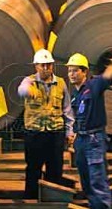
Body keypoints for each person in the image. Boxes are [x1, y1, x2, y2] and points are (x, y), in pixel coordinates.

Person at [66, 52, 112, 209]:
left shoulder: (93, 85)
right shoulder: (75, 95)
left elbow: (107, 75)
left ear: (85, 72)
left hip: (94, 140)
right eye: (70, 71)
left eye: (75, 70)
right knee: (85, 179)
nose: (71, 74)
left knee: (97, 179)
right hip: (81, 141)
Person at [18, 49, 75, 199]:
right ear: (36, 66)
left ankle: (52, 199)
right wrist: (28, 90)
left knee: (55, 169)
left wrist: (70, 132)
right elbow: (21, 90)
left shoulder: (61, 83)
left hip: (55, 133)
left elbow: (67, 110)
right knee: (33, 169)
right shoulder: (29, 81)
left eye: (48, 65)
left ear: (52, 66)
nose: (45, 68)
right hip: (34, 133)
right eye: (42, 65)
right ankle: (31, 199)